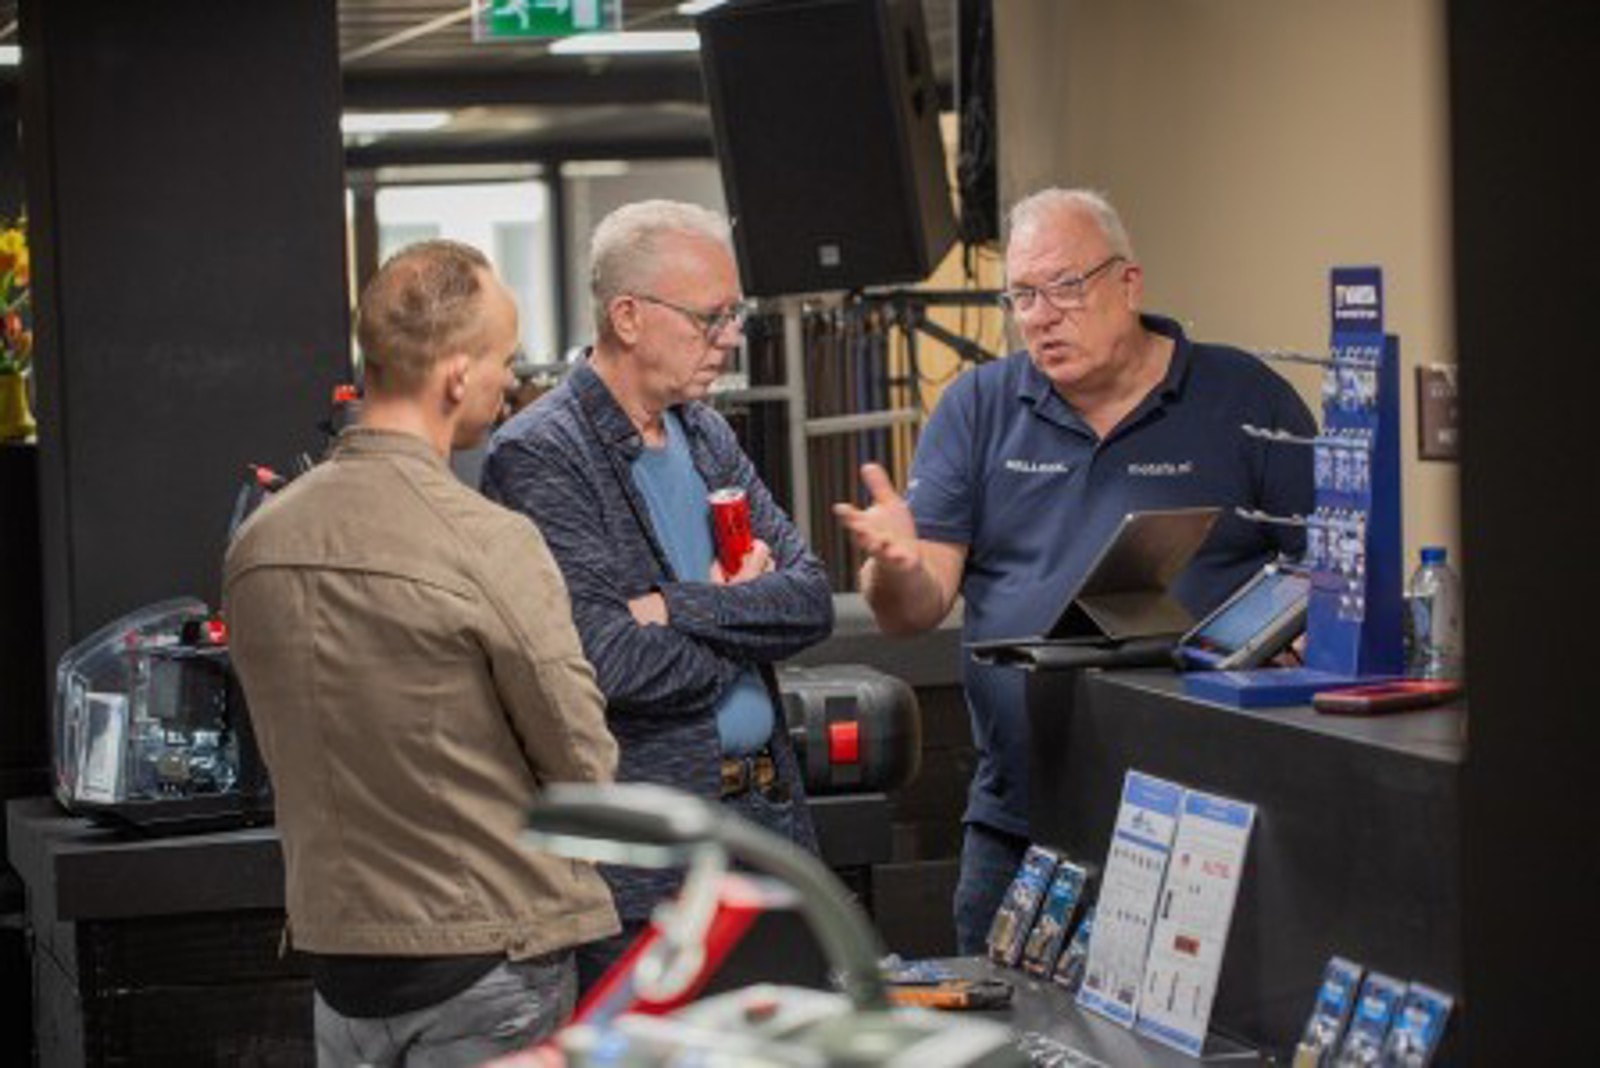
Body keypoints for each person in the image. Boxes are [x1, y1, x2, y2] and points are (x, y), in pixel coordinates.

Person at [834, 188, 1314, 953]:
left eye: (1064, 287)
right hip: (1021, 827)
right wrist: (892, 565)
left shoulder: (1248, 398)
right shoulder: (978, 407)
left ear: (1129, 283)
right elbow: (912, 608)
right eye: (1022, 295)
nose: (1041, 316)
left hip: (1209, 822)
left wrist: (1299, 634)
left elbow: (1328, 573)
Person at [224, 240, 619, 1066]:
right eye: (504, 360)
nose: (511, 383)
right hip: (490, 959)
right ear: (457, 376)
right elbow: (582, 763)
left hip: (341, 968)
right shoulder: (487, 541)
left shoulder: (259, 543)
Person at [481, 200, 833, 989]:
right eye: (710, 317)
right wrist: (743, 616)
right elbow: (611, 664)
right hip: (648, 870)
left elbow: (809, 598)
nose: (730, 337)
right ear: (628, 317)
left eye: (734, 315)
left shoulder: (706, 434)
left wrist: (678, 606)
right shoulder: (541, 454)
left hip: (765, 830)